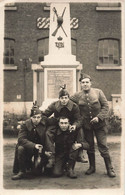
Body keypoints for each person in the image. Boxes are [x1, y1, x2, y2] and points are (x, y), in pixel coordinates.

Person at [70, 73, 116, 178]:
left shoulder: (98, 92)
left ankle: (110, 168)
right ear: (80, 84)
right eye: (83, 82)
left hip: (100, 125)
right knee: (90, 147)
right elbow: (68, 101)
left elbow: (105, 106)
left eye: (87, 82)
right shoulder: (77, 95)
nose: (85, 84)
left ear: (90, 83)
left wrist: (99, 117)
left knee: (103, 146)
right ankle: (92, 167)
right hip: (87, 126)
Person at [43, 85, 87, 168]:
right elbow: (44, 115)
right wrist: (54, 120)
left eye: (66, 98)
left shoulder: (74, 106)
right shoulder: (54, 105)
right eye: (62, 98)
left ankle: (80, 153)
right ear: (59, 98)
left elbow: (79, 119)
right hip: (58, 124)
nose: (64, 100)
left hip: (70, 125)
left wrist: (74, 125)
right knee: (48, 133)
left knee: (79, 129)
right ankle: (51, 156)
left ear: (68, 98)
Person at [11, 105, 51, 180]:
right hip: (27, 148)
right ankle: (21, 171)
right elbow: (21, 139)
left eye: (38, 117)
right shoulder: (25, 124)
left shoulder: (44, 122)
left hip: (40, 150)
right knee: (20, 148)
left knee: (37, 173)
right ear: (31, 117)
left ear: (41, 117)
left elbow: (55, 121)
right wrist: (34, 145)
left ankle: (31, 165)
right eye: (34, 117)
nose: (36, 119)